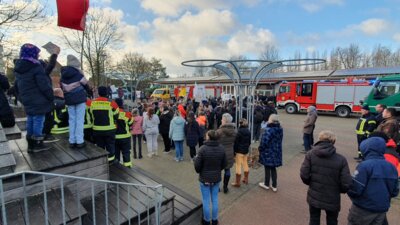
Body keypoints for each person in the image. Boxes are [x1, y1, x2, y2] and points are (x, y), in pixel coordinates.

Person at [300, 130, 352, 225]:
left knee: (314, 219)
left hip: (314, 195)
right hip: (333, 196)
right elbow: (346, 183)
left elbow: (304, 175)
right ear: (333, 141)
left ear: (320, 139)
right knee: (332, 220)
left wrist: (311, 183)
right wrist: (338, 190)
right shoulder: (341, 159)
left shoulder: (310, 154)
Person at [347, 137, 398, 225]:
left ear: (366, 149)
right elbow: (394, 191)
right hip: (381, 209)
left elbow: (355, 189)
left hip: (363, 208)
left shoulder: (364, 166)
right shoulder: (392, 167)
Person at [14, 43, 53, 152]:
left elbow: (17, 85)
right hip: (38, 99)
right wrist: (50, 96)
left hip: (27, 98)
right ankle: (37, 143)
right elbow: (43, 84)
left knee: (30, 118)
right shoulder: (36, 66)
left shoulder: (19, 68)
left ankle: (30, 144)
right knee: (39, 120)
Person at [194, 130, 227, 225]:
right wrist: (217, 170)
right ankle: (215, 220)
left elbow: (197, 167)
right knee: (215, 199)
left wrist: (196, 160)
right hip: (216, 178)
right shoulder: (221, 148)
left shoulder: (202, 149)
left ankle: (207, 221)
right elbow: (224, 164)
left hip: (204, 179)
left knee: (206, 200)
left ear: (208, 137)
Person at [60, 55, 90, 148]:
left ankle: (72, 141)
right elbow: (86, 85)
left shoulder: (63, 76)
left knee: (72, 120)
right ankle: (80, 141)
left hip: (69, 100)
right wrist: (89, 92)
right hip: (80, 99)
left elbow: (61, 87)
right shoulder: (79, 74)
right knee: (79, 120)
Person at [90, 86, 119, 163]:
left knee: (100, 147)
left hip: (97, 129)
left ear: (98, 93)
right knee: (110, 147)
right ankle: (111, 162)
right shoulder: (112, 102)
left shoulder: (92, 103)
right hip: (109, 130)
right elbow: (117, 115)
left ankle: (102, 162)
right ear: (106, 93)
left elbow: (91, 114)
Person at [258, 114, 283, 192]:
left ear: (271, 120)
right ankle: (274, 185)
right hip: (276, 151)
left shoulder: (268, 129)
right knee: (273, 168)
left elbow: (264, 142)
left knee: (267, 167)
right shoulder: (280, 129)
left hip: (268, 152)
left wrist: (260, 148)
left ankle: (266, 184)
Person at [216, 113, 237, 193]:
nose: (221, 120)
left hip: (219, 153)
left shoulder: (219, 131)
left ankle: (217, 187)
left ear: (225, 121)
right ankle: (225, 187)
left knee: (218, 171)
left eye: (222, 119)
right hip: (229, 152)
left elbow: (215, 142)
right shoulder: (234, 131)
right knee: (227, 170)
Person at [232, 118, 251, 187]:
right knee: (245, 164)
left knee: (238, 165)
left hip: (239, 151)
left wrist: (234, 151)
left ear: (240, 124)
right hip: (246, 151)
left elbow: (236, 143)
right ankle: (246, 179)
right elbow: (249, 142)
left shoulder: (239, 132)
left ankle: (237, 182)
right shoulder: (249, 131)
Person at [114, 98, 134, 167]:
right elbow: (131, 123)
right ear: (122, 104)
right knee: (126, 153)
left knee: (116, 154)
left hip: (115, 138)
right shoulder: (127, 114)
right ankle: (128, 167)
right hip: (126, 138)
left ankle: (117, 169)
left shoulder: (113, 113)